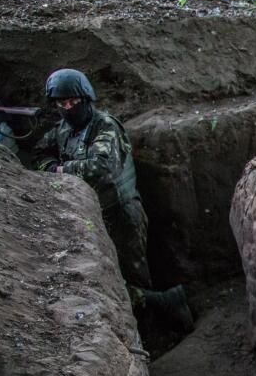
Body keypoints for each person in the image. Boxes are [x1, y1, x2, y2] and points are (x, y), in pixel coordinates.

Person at [33, 68, 193, 332]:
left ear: (85, 99)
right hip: (94, 215)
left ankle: (162, 322)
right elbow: (39, 152)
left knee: (134, 276)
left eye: (73, 102)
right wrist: (50, 165)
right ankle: (165, 304)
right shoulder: (64, 129)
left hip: (122, 214)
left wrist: (60, 170)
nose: (68, 108)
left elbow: (102, 167)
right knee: (113, 280)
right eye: (62, 104)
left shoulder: (104, 126)